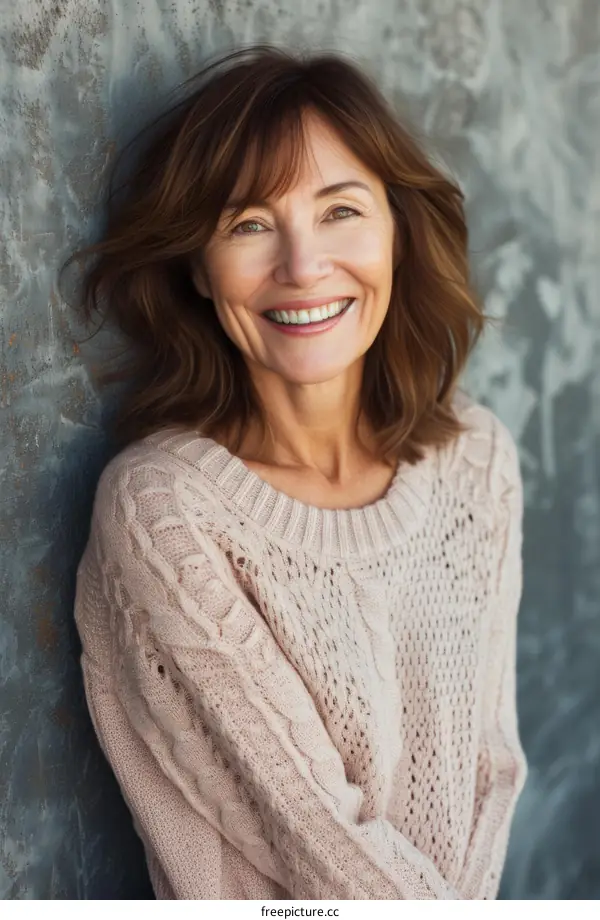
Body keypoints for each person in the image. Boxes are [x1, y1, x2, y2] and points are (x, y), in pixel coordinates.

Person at [70, 44, 528, 900]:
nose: (303, 267)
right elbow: (315, 840)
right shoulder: (166, 512)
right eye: (248, 225)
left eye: (341, 211)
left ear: (396, 229)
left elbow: (490, 773)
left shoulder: (476, 458)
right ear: (199, 271)